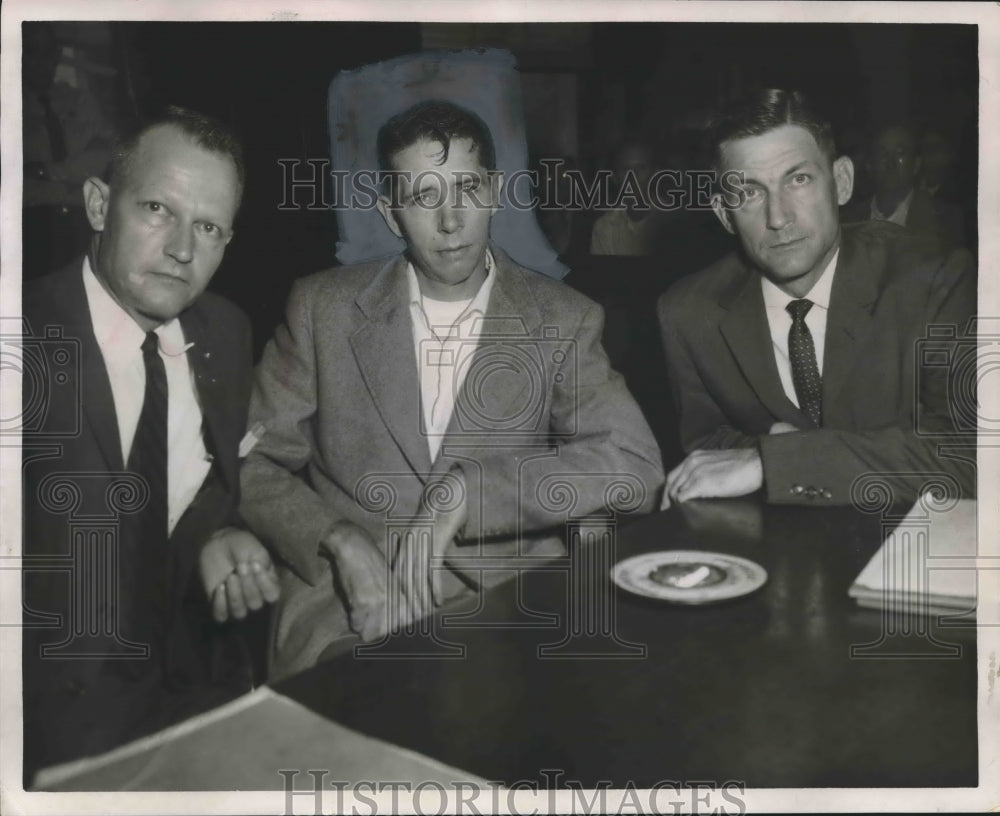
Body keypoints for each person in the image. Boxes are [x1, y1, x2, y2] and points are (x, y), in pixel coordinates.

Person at [240, 100, 664, 680]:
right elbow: (251, 462)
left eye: (465, 189)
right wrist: (340, 542)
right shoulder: (322, 309)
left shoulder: (561, 319)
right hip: (352, 605)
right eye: (422, 196)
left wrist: (469, 492)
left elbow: (634, 466)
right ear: (392, 215)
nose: (449, 221)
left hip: (504, 608)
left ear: (494, 191)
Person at [22, 106, 280, 780]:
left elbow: (193, 492)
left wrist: (214, 537)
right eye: (159, 210)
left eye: (209, 227)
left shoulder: (225, 330)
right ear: (100, 204)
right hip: (46, 731)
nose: (183, 251)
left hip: (200, 697)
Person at [656, 89, 975, 509]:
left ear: (842, 182)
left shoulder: (936, 279)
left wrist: (776, 461)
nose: (778, 217)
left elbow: (970, 456)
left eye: (798, 179)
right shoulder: (688, 312)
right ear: (723, 214)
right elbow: (707, 442)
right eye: (750, 192)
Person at [841, 123, 965, 252]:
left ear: (916, 165)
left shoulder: (944, 219)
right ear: (870, 165)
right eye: (883, 154)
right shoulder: (848, 222)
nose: (891, 163)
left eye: (900, 154)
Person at [590, 140, 663, 256]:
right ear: (615, 178)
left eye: (641, 168)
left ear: (656, 173)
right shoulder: (604, 227)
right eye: (625, 170)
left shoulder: (677, 221)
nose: (633, 176)